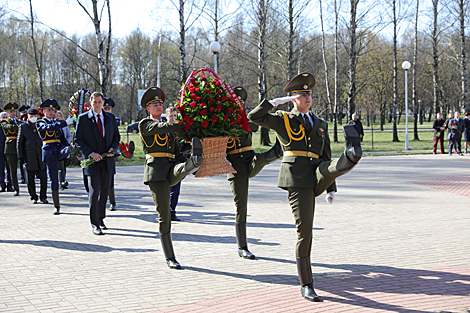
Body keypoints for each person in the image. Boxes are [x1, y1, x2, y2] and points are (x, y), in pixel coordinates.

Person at [248, 72, 362, 302]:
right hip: (297, 178)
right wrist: (274, 103)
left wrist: (331, 188)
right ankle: (306, 284)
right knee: (305, 232)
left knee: (331, 164)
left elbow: (326, 154)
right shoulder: (283, 119)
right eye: (301, 94)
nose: (307, 97)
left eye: (309, 94)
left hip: (319, 172)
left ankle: (350, 156)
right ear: (293, 98)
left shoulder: (320, 123)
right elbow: (254, 117)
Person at [138, 86, 203, 269]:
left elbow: (176, 152)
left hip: (170, 167)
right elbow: (162, 126)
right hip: (156, 173)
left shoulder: (169, 130)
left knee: (184, 165)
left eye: (160, 104)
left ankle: (194, 163)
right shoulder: (146, 124)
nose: (159, 107)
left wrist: (191, 163)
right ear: (148, 108)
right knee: (164, 215)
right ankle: (170, 257)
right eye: (155, 105)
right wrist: (183, 125)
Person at [226, 86, 283, 259]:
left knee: (262, 158)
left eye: (241, 103)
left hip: (249, 158)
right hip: (234, 165)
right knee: (241, 206)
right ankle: (242, 247)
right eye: (236, 103)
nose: (239, 106)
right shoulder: (224, 121)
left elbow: (253, 126)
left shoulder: (246, 119)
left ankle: (278, 151)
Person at [75, 92, 120, 235]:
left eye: (100, 102)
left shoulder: (110, 118)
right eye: (95, 102)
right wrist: (90, 154)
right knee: (94, 192)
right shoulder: (83, 119)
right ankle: (94, 223)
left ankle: (101, 219)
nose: (97, 104)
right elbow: (78, 140)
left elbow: (116, 136)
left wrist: (113, 148)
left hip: (107, 160)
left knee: (104, 192)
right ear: (90, 102)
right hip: (92, 161)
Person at [36, 99, 75, 214]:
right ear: (44, 111)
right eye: (49, 110)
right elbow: (49, 128)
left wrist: (68, 147)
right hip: (49, 151)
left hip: (59, 149)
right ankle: (56, 205)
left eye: (53, 110)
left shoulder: (56, 123)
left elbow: (62, 139)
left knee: (67, 149)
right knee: (54, 178)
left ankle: (71, 149)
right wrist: (64, 123)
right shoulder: (40, 122)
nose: (52, 112)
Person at [17, 108, 48, 204]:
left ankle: (43, 196)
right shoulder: (23, 127)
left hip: (41, 155)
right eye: (31, 116)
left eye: (35, 116)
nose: (33, 118)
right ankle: (33, 196)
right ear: (28, 116)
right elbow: (19, 143)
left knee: (43, 177)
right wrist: (21, 157)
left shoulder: (41, 125)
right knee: (30, 179)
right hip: (29, 156)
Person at [165, 106, 191, 222]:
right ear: (166, 116)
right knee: (165, 189)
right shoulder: (162, 129)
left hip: (177, 163)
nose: (173, 118)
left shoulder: (180, 130)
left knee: (175, 189)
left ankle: (172, 211)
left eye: (175, 115)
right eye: (170, 115)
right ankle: (165, 210)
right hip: (164, 163)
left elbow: (186, 146)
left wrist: (185, 156)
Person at [1, 102, 21, 196]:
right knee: (12, 170)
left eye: (14, 111)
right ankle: (15, 187)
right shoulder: (4, 122)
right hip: (10, 147)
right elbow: (10, 127)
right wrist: (20, 125)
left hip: (20, 146)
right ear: (8, 113)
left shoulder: (19, 121)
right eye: (11, 111)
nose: (13, 113)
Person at [56, 110, 72, 190]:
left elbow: (69, 135)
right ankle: (61, 181)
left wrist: (67, 144)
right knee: (60, 165)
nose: (58, 116)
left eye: (59, 115)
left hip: (64, 147)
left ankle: (63, 179)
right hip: (57, 148)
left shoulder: (65, 125)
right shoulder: (54, 124)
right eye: (57, 115)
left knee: (64, 165)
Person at [0, 111, 14, 193]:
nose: (5, 118)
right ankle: (2, 185)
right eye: (3, 117)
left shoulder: (10, 126)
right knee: (1, 170)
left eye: (6, 117)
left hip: (9, 150)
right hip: (0, 151)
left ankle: (10, 185)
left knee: (10, 169)